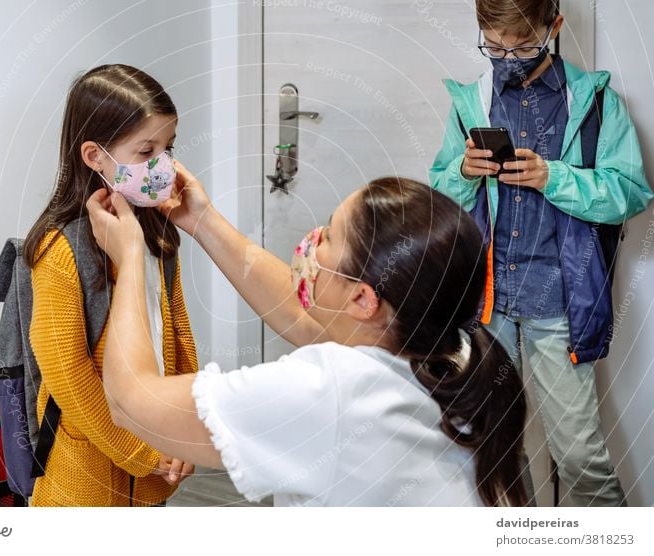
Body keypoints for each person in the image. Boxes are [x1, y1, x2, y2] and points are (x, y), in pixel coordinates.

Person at [87, 172, 529, 506]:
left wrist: (129, 258)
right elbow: (305, 318)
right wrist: (200, 220)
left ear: (362, 298)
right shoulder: (454, 350)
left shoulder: (335, 393)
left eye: (330, 236)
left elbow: (132, 402)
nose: (312, 241)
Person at [429, 0, 652, 506]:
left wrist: (555, 177)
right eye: (494, 44)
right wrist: (464, 172)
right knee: (489, 443)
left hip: (559, 301)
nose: (507, 58)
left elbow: (631, 193)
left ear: (554, 26)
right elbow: (441, 191)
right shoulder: (472, 101)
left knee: (577, 454)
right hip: (487, 299)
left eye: (523, 44)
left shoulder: (596, 103)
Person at [24, 64, 197, 506]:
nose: (163, 164)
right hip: (86, 481)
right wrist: (142, 452)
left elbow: (178, 339)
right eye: (146, 151)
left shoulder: (158, 234)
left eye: (168, 147)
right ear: (95, 157)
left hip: (156, 464)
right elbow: (69, 378)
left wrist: (187, 430)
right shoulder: (60, 250)